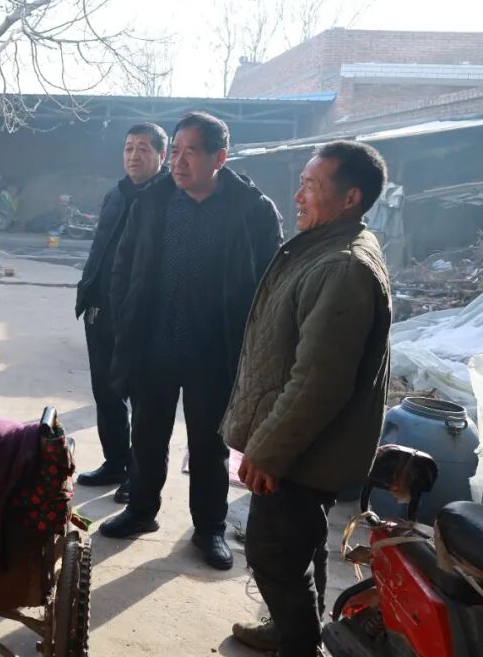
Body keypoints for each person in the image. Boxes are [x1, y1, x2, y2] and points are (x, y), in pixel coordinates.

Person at [224, 141, 392, 657]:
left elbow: (319, 381)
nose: (297, 196)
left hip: (304, 449)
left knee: (274, 554)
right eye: (301, 183)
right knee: (301, 545)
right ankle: (291, 630)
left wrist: (269, 451)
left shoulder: (342, 266)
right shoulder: (325, 246)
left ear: (350, 198)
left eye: (311, 186)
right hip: (304, 443)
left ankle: (297, 645)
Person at [101, 111, 282, 572]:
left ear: (219, 158)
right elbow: (124, 268)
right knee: (147, 435)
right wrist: (126, 324)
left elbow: (272, 286)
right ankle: (141, 510)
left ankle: (210, 528)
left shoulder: (253, 211)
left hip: (215, 350)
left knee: (209, 444)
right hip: (154, 344)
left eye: (191, 153)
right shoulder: (153, 202)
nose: (178, 163)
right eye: (175, 151)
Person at [74, 122, 169, 502]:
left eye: (144, 148)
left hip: (141, 318)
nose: (134, 155)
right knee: (107, 394)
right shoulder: (116, 194)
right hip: (100, 311)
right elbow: (101, 247)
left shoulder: (169, 198)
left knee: (144, 403)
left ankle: (139, 478)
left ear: (161, 155)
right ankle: (115, 462)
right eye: (129, 147)